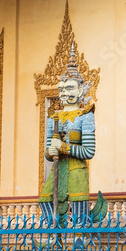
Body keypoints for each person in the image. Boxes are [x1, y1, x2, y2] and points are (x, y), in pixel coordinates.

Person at [38, 44, 96, 225]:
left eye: (70, 88)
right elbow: (48, 152)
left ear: (81, 90)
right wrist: (51, 152)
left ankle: (80, 236)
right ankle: (55, 233)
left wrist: (64, 147)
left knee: (79, 204)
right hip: (58, 168)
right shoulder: (53, 117)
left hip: (77, 169)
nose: (64, 93)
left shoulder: (85, 116)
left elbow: (89, 151)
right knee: (45, 201)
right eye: (62, 89)